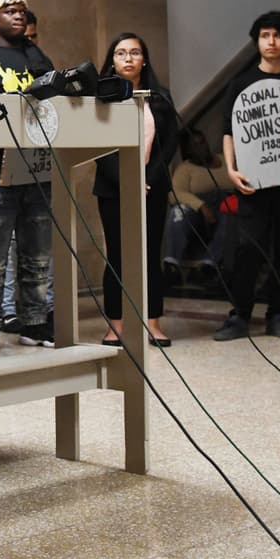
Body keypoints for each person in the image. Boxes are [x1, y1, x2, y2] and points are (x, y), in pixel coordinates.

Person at [214, 12, 280, 341]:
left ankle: (278, 314)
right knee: (247, 248)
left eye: (277, 36)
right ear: (257, 41)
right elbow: (229, 133)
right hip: (252, 184)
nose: (271, 42)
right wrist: (231, 170)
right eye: (264, 35)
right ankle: (240, 315)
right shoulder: (240, 83)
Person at [0, 0, 57, 354]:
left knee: (38, 256)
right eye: (9, 11)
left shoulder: (37, 56)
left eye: (21, 10)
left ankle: (36, 323)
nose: (18, 15)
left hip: (37, 167)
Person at [94, 33, 177, 346]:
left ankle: (152, 322)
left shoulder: (161, 97)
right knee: (117, 254)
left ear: (145, 59)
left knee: (150, 253)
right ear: (112, 60)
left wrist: (148, 179)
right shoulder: (100, 99)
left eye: (134, 53)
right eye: (120, 53)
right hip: (112, 189)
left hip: (152, 187)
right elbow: (98, 147)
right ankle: (116, 324)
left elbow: (169, 144)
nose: (128, 59)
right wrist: (126, 180)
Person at [165, 128, 234, 283]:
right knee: (178, 212)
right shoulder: (185, 168)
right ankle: (172, 264)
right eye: (195, 145)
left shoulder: (226, 160)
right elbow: (175, 193)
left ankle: (209, 264)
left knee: (231, 213)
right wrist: (201, 206)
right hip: (199, 212)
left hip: (226, 205)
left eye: (202, 142)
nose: (201, 148)